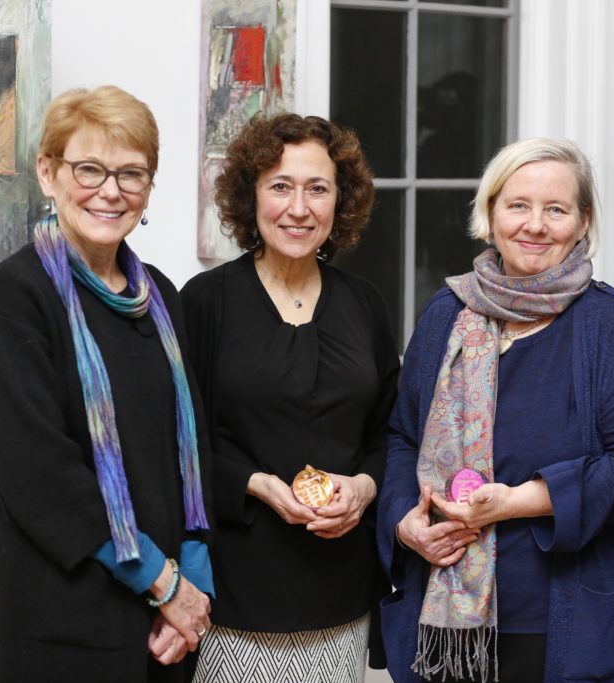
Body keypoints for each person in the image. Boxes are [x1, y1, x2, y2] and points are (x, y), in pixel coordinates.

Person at [377, 137, 614, 683]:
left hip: (564, 620)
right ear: (491, 212)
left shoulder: (608, 323)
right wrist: (406, 524)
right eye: (517, 205)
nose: (534, 225)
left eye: (556, 209)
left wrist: (520, 502)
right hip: (445, 623)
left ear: (583, 221)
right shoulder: (445, 313)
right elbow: (403, 437)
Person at [0, 85, 214, 682]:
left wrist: (193, 592)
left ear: (148, 189)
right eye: (89, 169)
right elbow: (39, 473)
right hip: (68, 622)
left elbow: (192, 452)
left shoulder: (159, 294)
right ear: (48, 174)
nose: (111, 191)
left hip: (168, 631)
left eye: (132, 174)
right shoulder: (18, 295)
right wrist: (162, 582)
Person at [182, 113, 399, 682]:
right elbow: (175, 442)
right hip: (233, 596)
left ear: (340, 201)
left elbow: (390, 431)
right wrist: (252, 484)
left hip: (342, 593)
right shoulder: (204, 302)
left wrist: (363, 487)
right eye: (280, 186)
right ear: (249, 196)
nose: (298, 208)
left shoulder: (366, 305)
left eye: (317, 189)